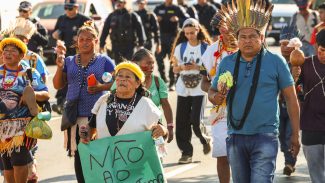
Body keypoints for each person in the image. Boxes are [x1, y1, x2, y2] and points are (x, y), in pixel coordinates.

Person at [208, 0, 300, 182]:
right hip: (235, 135)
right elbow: (211, 91)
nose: (248, 41)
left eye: (252, 36)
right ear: (237, 38)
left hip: (265, 135)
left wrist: (295, 135)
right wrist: (216, 97)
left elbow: (291, 98)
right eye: (243, 37)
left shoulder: (276, 62)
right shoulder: (227, 62)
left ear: (262, 38)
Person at [52, 22, 115, 183]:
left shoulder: (105, 61)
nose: (85, 42)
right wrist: (59, 67)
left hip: (98, 116)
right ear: (77, 42)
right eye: (81, 39)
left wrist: (101, 86)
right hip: (76, 117)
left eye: (89, 39)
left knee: (99, 155)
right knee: (80, 155)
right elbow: (58, 85)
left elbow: (117, 83)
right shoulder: (69, 61)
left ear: (96, 41)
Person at [80, 61, 168, 150]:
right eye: (120, 75)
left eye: (128, 77)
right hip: (106, 159)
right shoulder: (104, 100)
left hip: (135, 160)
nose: (122, 79)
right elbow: (91, 126)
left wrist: (163, 131)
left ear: (137, 83)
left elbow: (161, 132)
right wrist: (86, 133)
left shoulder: (146, 104)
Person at [0, 37, 49, 183]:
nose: (7, 54)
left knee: (19, 162)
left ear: (22, 55)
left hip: (22, 126)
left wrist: (32, 95)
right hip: (2, 127)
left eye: (12, 51)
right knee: (7, 167)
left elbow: (45, 94)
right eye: (5, 51)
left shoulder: (29, 73)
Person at [201, 10, 238, 183]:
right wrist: (214, 94)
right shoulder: (211, 51)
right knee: (222, 153)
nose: (224, 29)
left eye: (229, 25)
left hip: (247, 107)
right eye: (221, 25)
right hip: (221, 110)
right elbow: (204, 82)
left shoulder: (249, 46)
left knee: (243, 155)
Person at [171, 18, 212, 164]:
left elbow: (211, 69)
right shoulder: (180, 47)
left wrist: (197, 67)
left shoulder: (206, 48)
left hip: (200, 89)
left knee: (195, 121)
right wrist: (182, 67)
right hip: (183, 88)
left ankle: (204, 138)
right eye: (186, 33)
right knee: (181, 122)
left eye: (192, 33)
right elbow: (175, 68)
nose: (189, 36)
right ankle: (186, 152)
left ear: (198, 30)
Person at [293, 29, 325, 183]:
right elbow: (291, 91)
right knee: (317, 176)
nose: (324, 55)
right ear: (316, 46)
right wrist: (294, 76)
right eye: (322, 50)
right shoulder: (304, 64)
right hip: (310, 127)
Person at [52, 0, 91, 115]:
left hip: (79, 54)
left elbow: (94, 34)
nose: (68, 11)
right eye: (66, 8)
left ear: (76, 8)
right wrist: (55, 36)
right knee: (62, 76)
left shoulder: (84, 19)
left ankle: (75, 102)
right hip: (65, 54)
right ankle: (60, 103)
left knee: (75, 78)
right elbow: (55, 34)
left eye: (70, 8)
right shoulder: (61, 19)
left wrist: (81, 37)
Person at [278, 24, 304, 176]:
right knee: (281, 135)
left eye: (288, 44)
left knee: (290, 134)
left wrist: (296, 75)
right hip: (279, 106)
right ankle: (287, 157)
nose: (285, 47)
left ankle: (290, 162)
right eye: (282, 44)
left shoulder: (302, 61)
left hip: (295, 106)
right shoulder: (275, 62)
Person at [132, 48, 174, 142]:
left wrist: (170, 127)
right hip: (132, 131)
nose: (151, 66)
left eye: (153, 63)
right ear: (136, 64)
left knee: (157, 157)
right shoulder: (127, 80)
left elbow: (166, 105)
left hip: (155, 130)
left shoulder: (158, 82)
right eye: (148, 63)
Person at [154, 0, 189, 90]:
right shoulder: (158, 8)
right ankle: (163, 80)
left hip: (173, 38)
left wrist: (178, 19)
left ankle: (172, 83)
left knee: (172, 61)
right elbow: (150, 20)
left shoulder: (177, 8)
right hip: (161, 38)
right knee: (158, 58)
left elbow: (187, 19)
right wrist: (156, 19)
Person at [100, 0, 145, 65]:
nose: (118, 4)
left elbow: (139, 30)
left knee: (129, 65)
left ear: (124, 3)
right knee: (118, 66)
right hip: (116, 46)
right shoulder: (111, 16)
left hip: (129, 46)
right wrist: (102, 44)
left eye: (120, 2)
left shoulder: (132, 15)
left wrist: (141, 44)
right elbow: (105, 30)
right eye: (117, 2)